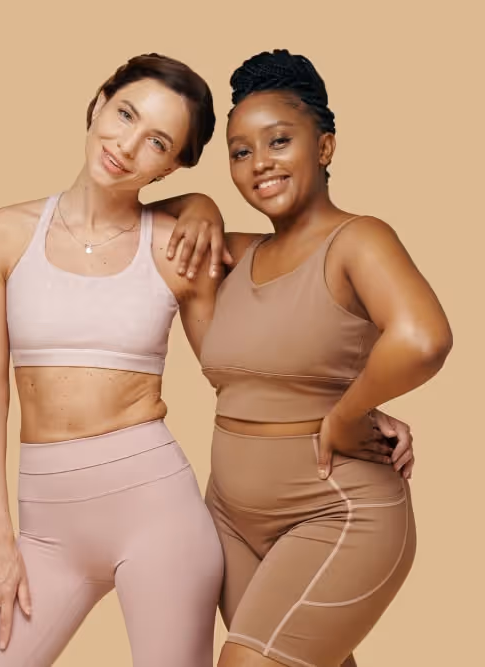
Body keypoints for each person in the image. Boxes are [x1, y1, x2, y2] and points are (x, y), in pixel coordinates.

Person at [0, 53, 228, 667]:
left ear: (173, 165)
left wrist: (359, 407)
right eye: (124, 113)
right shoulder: (2, 232)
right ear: (99, 101)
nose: (126, 146)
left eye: (156, 141)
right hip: (42, 532)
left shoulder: (176, 248)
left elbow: (237, 378)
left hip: (160, 520)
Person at [198, 50, 453, 667]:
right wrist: (199, 207)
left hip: (337, 511)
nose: (259, 164)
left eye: (279, 141)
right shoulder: (238, 254)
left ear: (325, 146)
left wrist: (349, 411)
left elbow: (423, 339)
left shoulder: (357, 239)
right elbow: (151, 226)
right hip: (229, 516)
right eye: (239, 152)